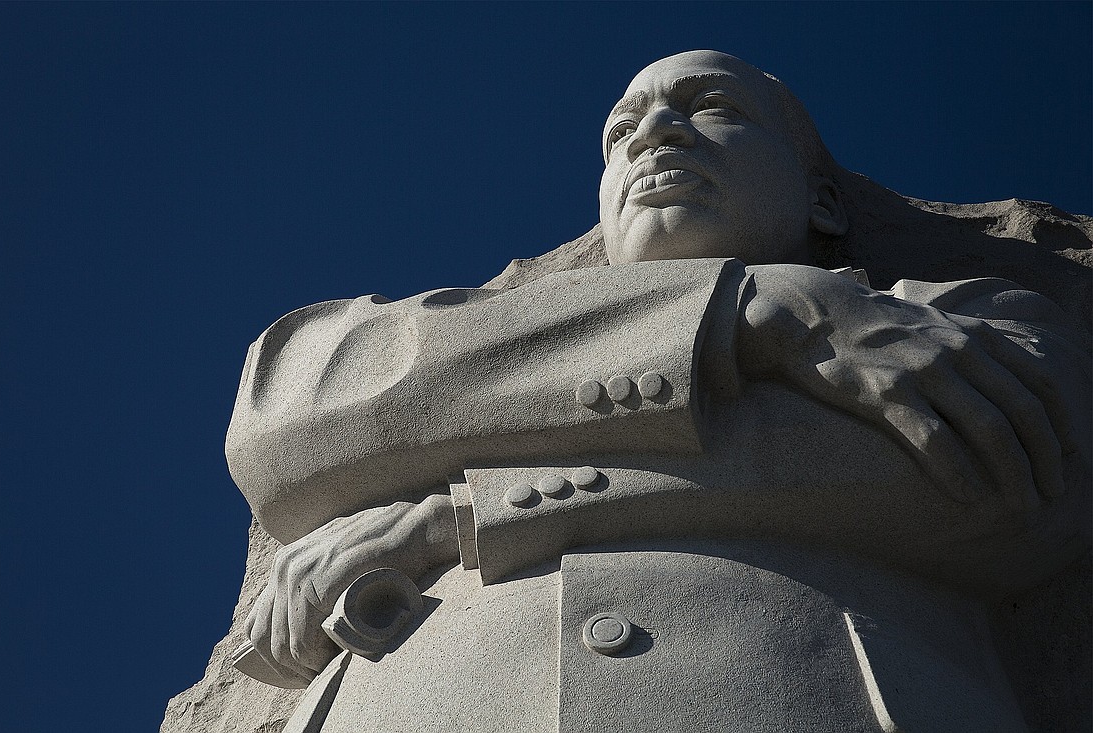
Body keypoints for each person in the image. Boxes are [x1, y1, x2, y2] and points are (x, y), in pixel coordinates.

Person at [227, 51, 1090, 731]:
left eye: (712, 107)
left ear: (824, 199)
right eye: (621, 131)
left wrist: (458, 514)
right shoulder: (488, 321)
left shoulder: (951, 317)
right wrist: (759, 307)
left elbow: (1002, 469)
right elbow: (285, 410)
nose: (656, 134)